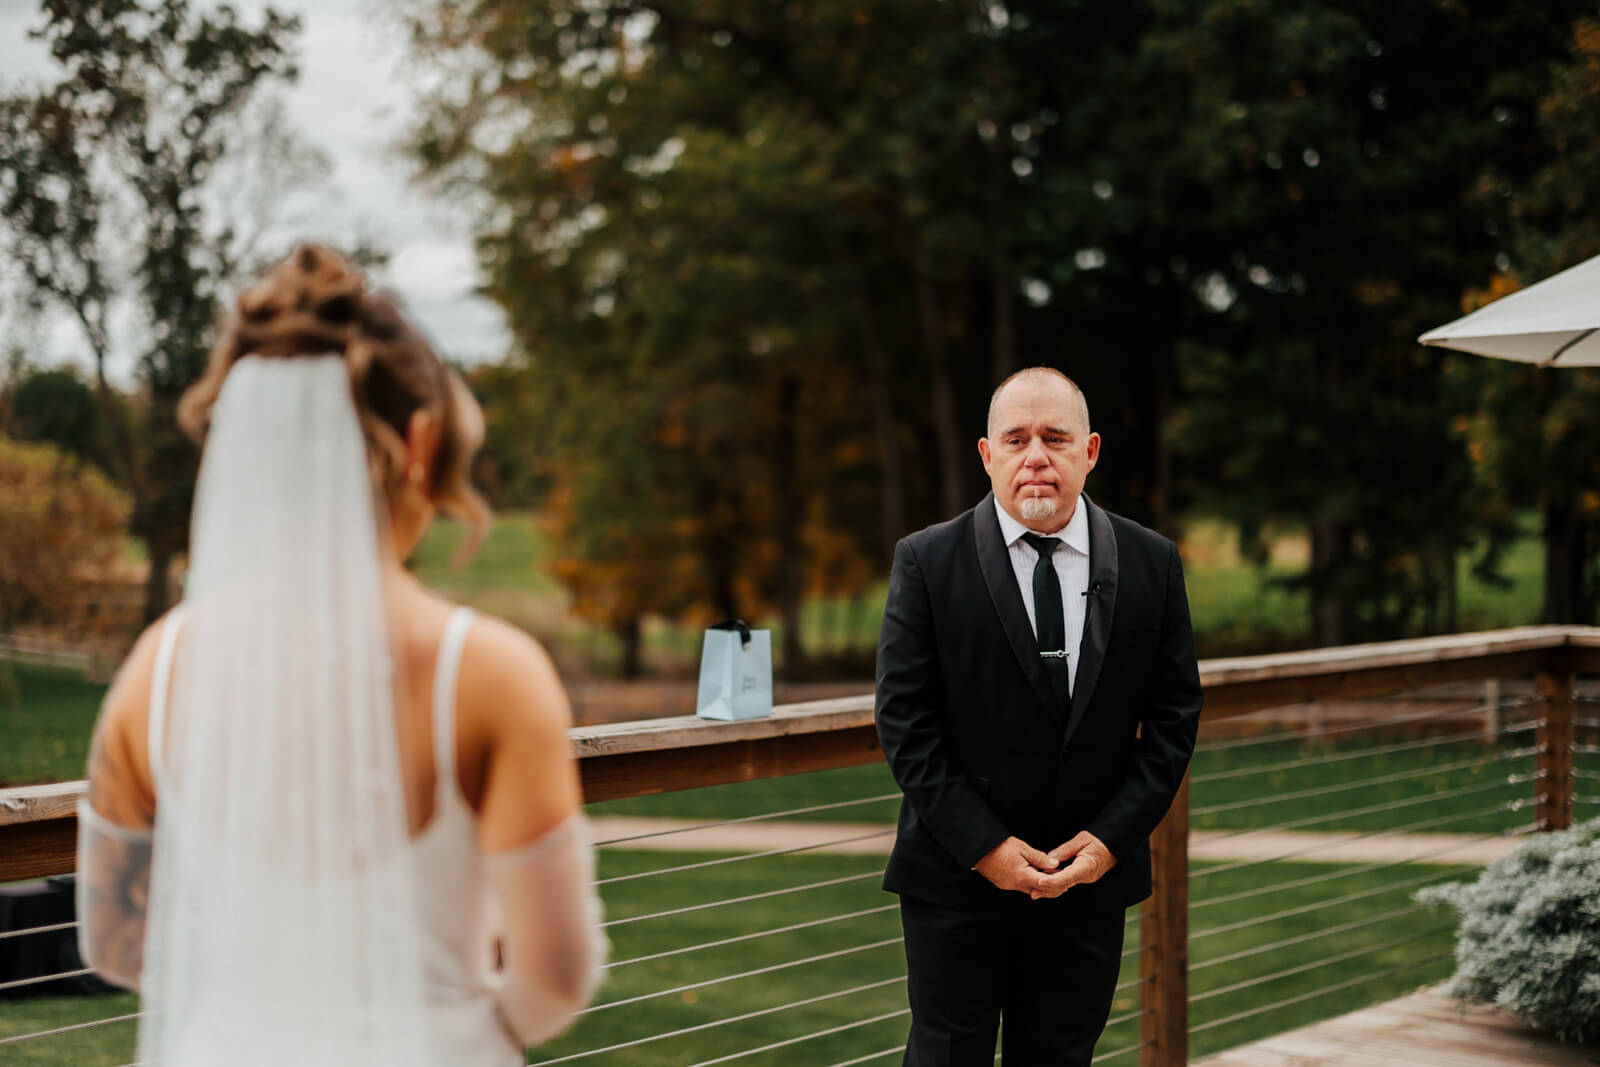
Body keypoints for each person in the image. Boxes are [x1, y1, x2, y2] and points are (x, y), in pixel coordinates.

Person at [75, 244, 606, 1066]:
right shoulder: (490, 674)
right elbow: (556, 977)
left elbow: (112, 939)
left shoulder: (158, 666)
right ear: (420, 441)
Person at [875, 367, 1202, 1066]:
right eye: (1015, 439)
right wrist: (986, 847)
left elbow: (1174, 720)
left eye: (1055, 438)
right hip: (956, 880)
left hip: (1087, 884)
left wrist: (1108, 843)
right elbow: (905, 725)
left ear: (1090, 450)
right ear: (987, 455)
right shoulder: (926, 561)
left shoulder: (1152, 563)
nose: (1035, 457)